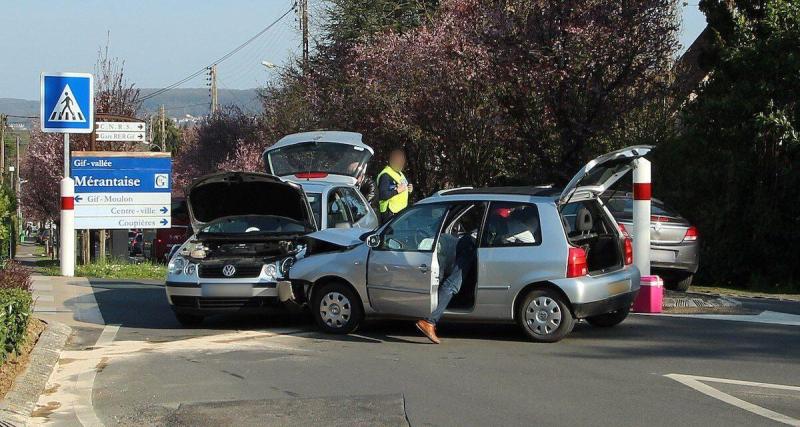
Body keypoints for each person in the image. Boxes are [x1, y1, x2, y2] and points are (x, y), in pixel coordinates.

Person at [415, 234, 477, 344]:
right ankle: (429, 321)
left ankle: (430, 319)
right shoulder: (468, 247)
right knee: (452, 285)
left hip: (446, 244)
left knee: (443, 283)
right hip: (464, 246)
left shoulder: (457, 241)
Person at [376, 148, 413, 223]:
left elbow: (403, 190)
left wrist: (409, 190)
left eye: (402, 161)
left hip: (400, 212)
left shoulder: (400, 173)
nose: (401, 163)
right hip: (390, 213)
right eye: (398, 161)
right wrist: (397, 191)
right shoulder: (386, 175)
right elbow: (382, 195)